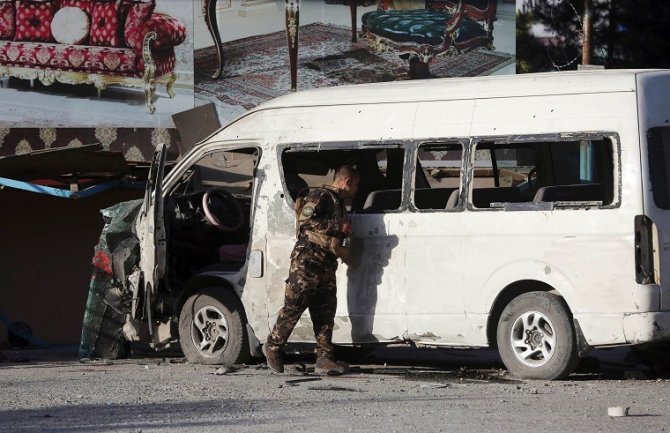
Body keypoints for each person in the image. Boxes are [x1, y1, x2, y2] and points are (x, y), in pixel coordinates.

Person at [263, 165, 359, 374]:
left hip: (325, 262)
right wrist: (336, 227)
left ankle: (324, 358)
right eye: (356, 185)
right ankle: (273, 347)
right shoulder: (320, 195)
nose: (356, 190)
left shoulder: (338, 202)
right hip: (307, 261)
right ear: (347, 182)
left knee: (325, 311)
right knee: (294, 306)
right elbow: (305, 220)